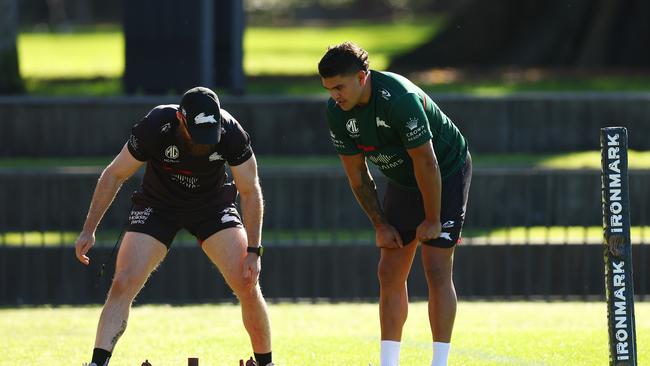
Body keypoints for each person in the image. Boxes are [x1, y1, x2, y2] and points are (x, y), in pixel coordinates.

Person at [75, 86, 273, 366]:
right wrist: (88, 229)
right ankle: (98, 363)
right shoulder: (157, 125)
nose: (205, 143)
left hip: (211, 207)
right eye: (197, 135)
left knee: (246, 280)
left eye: (209, 135)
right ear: (181, 118)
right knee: (123, 281)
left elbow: (250, 191)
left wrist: (254, 250)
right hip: (158, 206)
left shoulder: (231, 132)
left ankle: (267, 364)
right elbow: (114, 174)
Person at [318, 42, 472, 366]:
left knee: (436, 268)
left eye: (339, 87)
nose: (335, 96)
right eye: (329, 89)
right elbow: (358, 177)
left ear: (362, 77)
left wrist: (433, 218)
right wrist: (380, 224)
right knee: (389, 272)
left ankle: (439, 363)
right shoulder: (337, 113)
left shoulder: (399, 100)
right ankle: (389, 362)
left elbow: (428, 164)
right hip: (403, 180)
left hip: (444, 170)